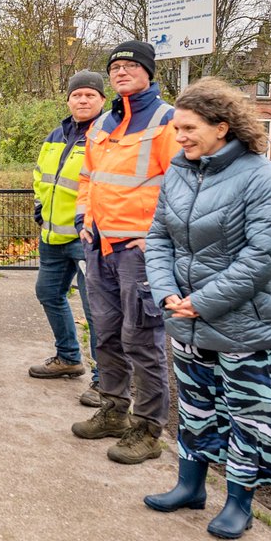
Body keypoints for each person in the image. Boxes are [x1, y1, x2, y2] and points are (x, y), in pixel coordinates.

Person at [143, 77, 271, 538]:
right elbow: (159, 237)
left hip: (242, 323)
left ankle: (239, 502)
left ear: (222, 126)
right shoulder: (179, 172)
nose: (180, 137)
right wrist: (167, 292)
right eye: (177, 128)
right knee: (195, 405)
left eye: (189, 128)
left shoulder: (261, 177)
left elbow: (263, 256)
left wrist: (202, 302)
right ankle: (190, 486)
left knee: (247, 415)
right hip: (186, 318)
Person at [72, 40, 179, 465]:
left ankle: (148, 430)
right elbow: (88, 177)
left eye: (130, 66)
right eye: (115, 66)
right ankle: (114, 411)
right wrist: (84, 221)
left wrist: (159, 238)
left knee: (143, 339)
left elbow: (182, 186)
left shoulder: (166, 120)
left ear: (148, 72)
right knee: (107, 334)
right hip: (100, 247)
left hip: (140, 253)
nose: (120, 71)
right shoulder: (103, 123)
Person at [30, 71, 106, 402]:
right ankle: (69, 357)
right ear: (68, 100)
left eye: (90, 95)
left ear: (102, 100)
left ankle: (105, 380)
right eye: (77, 95)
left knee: (96, 309)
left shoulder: (107, 136)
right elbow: (40, 176)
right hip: (52, 235)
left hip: (88, 237)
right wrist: (39, 207)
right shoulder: (55, 135)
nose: (83, 100)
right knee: (48, 292)